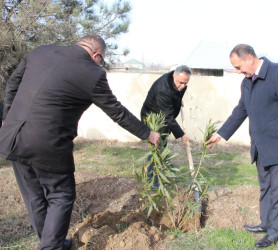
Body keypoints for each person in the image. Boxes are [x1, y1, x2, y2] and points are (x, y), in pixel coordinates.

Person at [0, 35, 160, 250]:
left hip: (13, 138)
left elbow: (12, 85)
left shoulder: (41, 51)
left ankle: (50, 242)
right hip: (48, 144)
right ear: (96, 55)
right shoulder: (92, 73)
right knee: (61, 196)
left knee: (34, 196)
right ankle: (51, 246)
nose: (99, 64)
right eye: (101, 60)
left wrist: (8, 119)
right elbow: (117, 112)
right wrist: (147, 134)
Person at [206, 44, 278, 248]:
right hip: (261, 146)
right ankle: (266, 223)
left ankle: (275, 233)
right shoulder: (247, 82)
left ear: (250, 59)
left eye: (238, 67)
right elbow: (240, 110)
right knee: (265, 187)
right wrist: (221, 133)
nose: (238, 72)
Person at [140, 65, 191, 188]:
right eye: (180, 83)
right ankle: (152, 180)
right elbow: (168, 116)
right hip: (153, 118)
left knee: (162, 146)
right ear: (174, 75)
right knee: (156, 147)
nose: (182, 86)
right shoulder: (164, 88)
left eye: (185, 83)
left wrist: (178, 100)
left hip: (163, 117)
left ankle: (161, 174)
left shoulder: (178, 82)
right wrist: (182, 135)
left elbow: (176, 94)